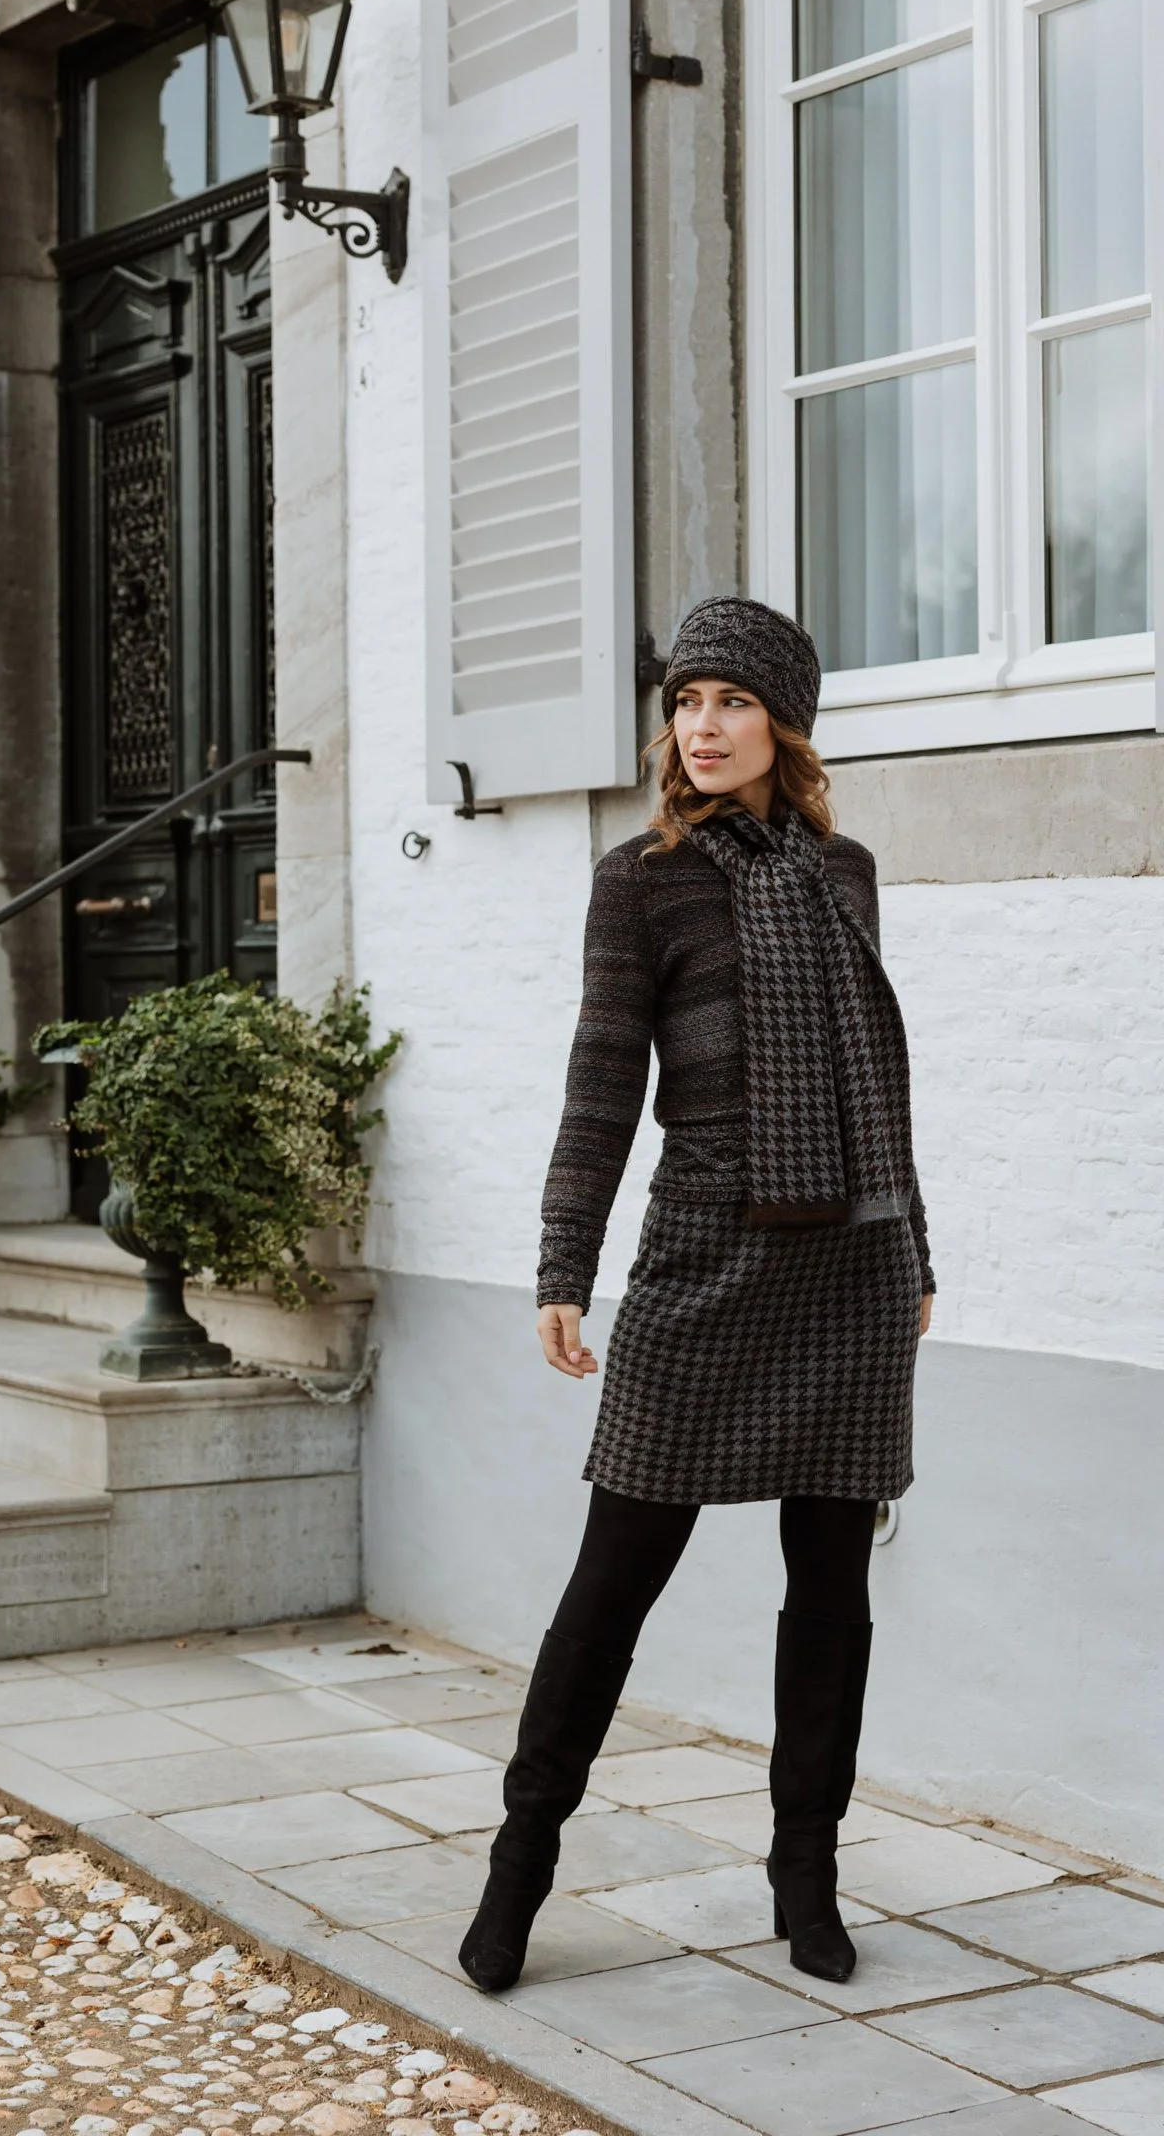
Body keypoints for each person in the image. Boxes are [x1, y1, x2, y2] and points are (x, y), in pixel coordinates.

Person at [459, 596, 934, 1994]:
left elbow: (881, 1079)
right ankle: (517, 1873)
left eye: (732, 702)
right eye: (684, 701)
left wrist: (917, 1248)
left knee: (831, 1593)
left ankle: (807, 1878)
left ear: (785, 723)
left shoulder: (845, 872)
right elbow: (603, 1080)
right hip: (706, 1258)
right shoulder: (642, 879)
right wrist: (565, 1262)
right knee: (611, 1584)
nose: (703, 727)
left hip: (854, 1264)